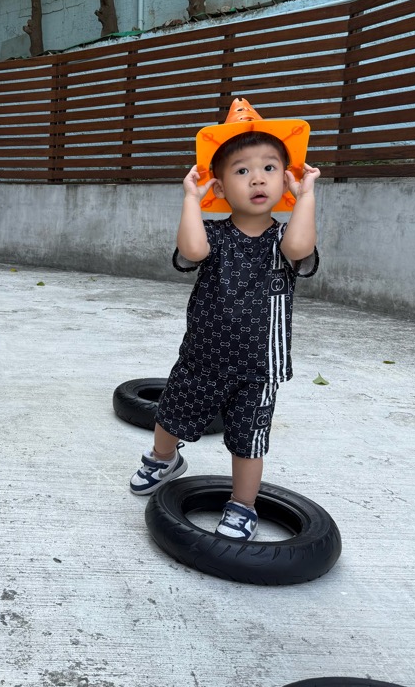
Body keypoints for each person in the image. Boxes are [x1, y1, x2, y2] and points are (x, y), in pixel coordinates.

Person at [129, 98, 320, 540]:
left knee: (248, 439)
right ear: (220, 184)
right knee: (171, 413)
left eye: (270, 168)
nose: (257, 178)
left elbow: (300, 248)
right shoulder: (213, 235)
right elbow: (191, 250)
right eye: (242, 170)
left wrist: (306, 196)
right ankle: (164, 459)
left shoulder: (284, 239)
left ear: (285, 179)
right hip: (202, 356)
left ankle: (242, 504)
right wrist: (191, 200)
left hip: (259, 366)